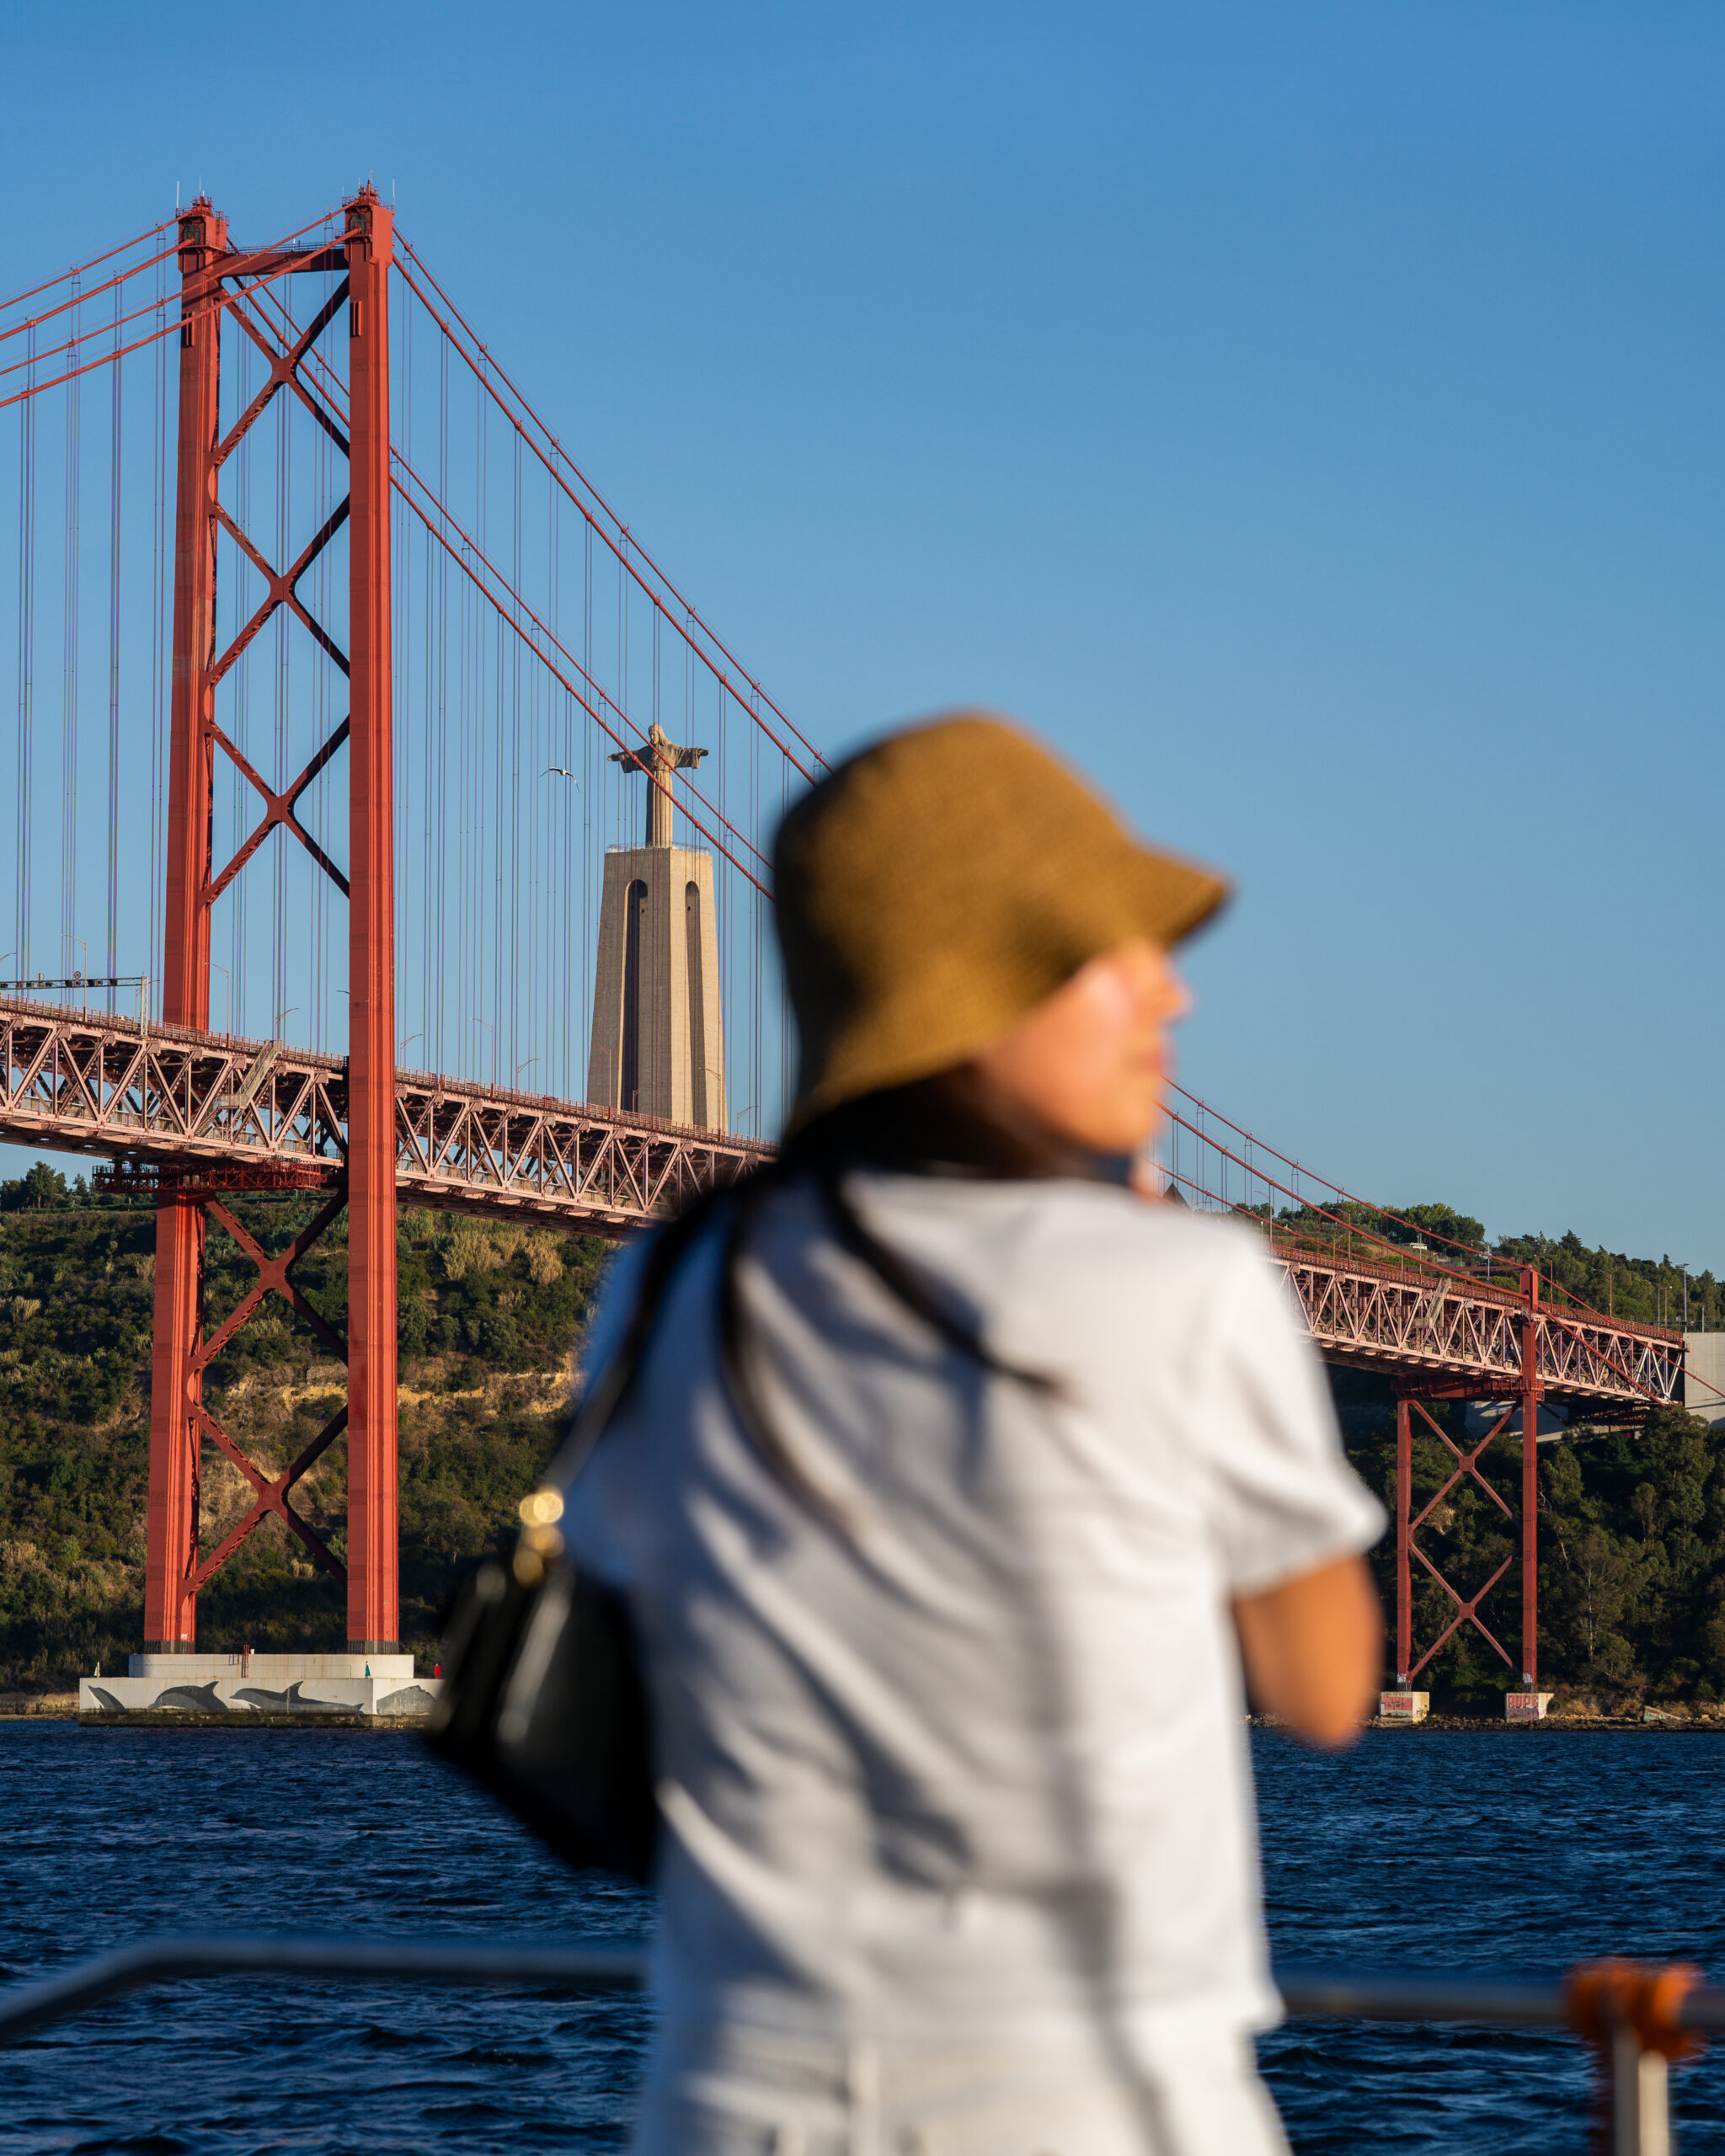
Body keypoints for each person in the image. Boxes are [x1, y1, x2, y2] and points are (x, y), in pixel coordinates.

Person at [560, 712, 1385, 2156]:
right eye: (1110, 956)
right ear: (977, 992)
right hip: (1101, 2105)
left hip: (735, 2101)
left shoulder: (674, 1283)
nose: (1170, 999)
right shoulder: (1186, 1287)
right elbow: (1325, 1689)